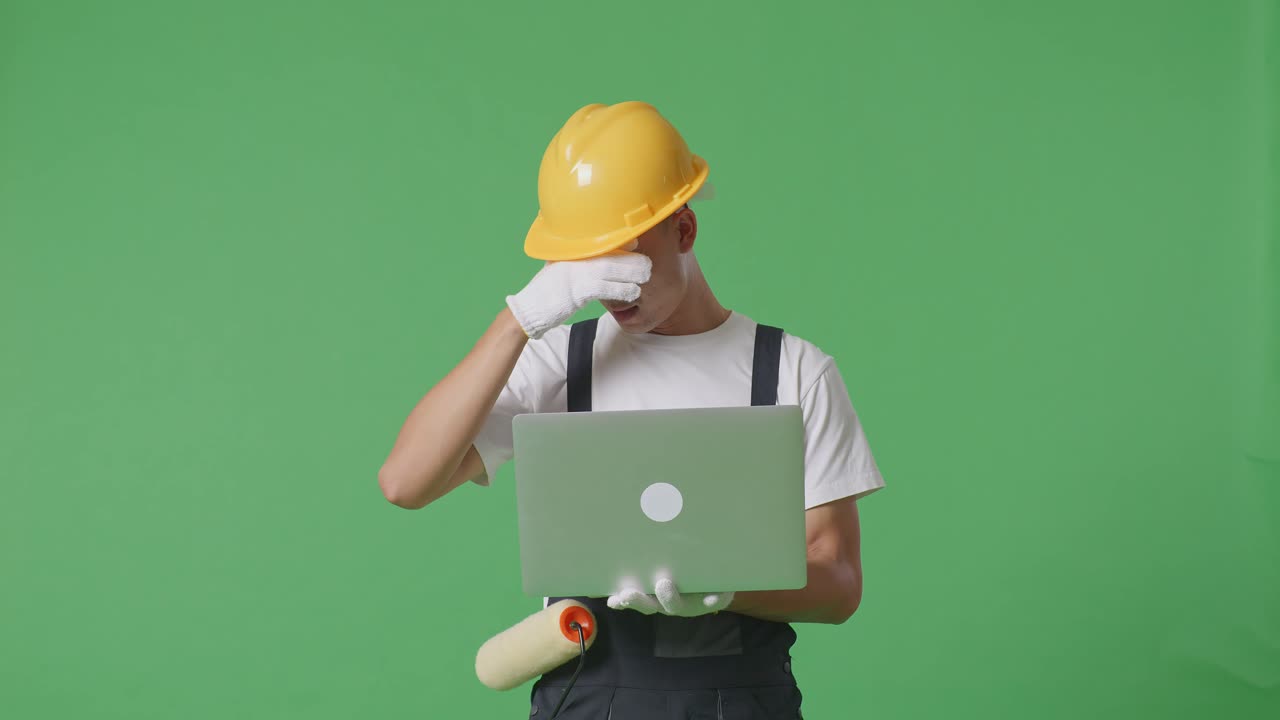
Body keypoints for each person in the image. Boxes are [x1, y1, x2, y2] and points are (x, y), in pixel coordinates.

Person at [378, 101, 885, 719]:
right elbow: (405, 482)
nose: (606, 285)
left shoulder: (794, 369)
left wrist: (725, 587)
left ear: (685, 231)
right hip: (592, 699)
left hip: (743, 703)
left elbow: (839, 583)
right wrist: (518, 321)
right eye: (587, 261)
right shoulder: (561, 362)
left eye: (624, 256)